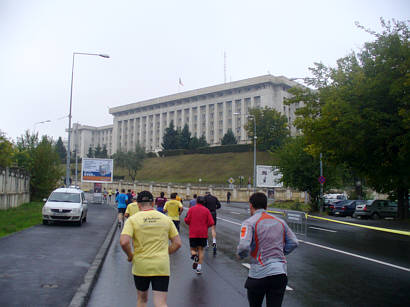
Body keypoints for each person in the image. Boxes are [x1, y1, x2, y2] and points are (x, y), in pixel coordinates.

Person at [120, 191, 182, 307]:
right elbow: (177, 243)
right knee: (161, 302)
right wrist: (164, 252)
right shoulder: (166, 219)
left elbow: (124, 242)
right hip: (161, 265)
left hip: (141, 265)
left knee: (142, 300)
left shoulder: (132, 220)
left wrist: (130, 255)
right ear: (153, 203)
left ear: (138, 204)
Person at [237, 192, 298, 307]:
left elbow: (244, 246)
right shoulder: (280, 221)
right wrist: (281, 252)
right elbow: (294, 242)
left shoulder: (249, 223)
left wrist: (241, 255)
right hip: (279, 273)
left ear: (251, 205)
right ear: (266, 206)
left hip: (258, 274)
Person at [184, 196, 214, 274]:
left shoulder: (191, 209)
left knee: (192, 249)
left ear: (196, 201)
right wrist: (205, 226)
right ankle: (199, 268)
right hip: (203, 234)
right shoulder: (207, 210)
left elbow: (187, 220)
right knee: (201, 250)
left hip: (193, 233)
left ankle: (194, 256)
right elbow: (211, 222)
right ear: (204, 202)